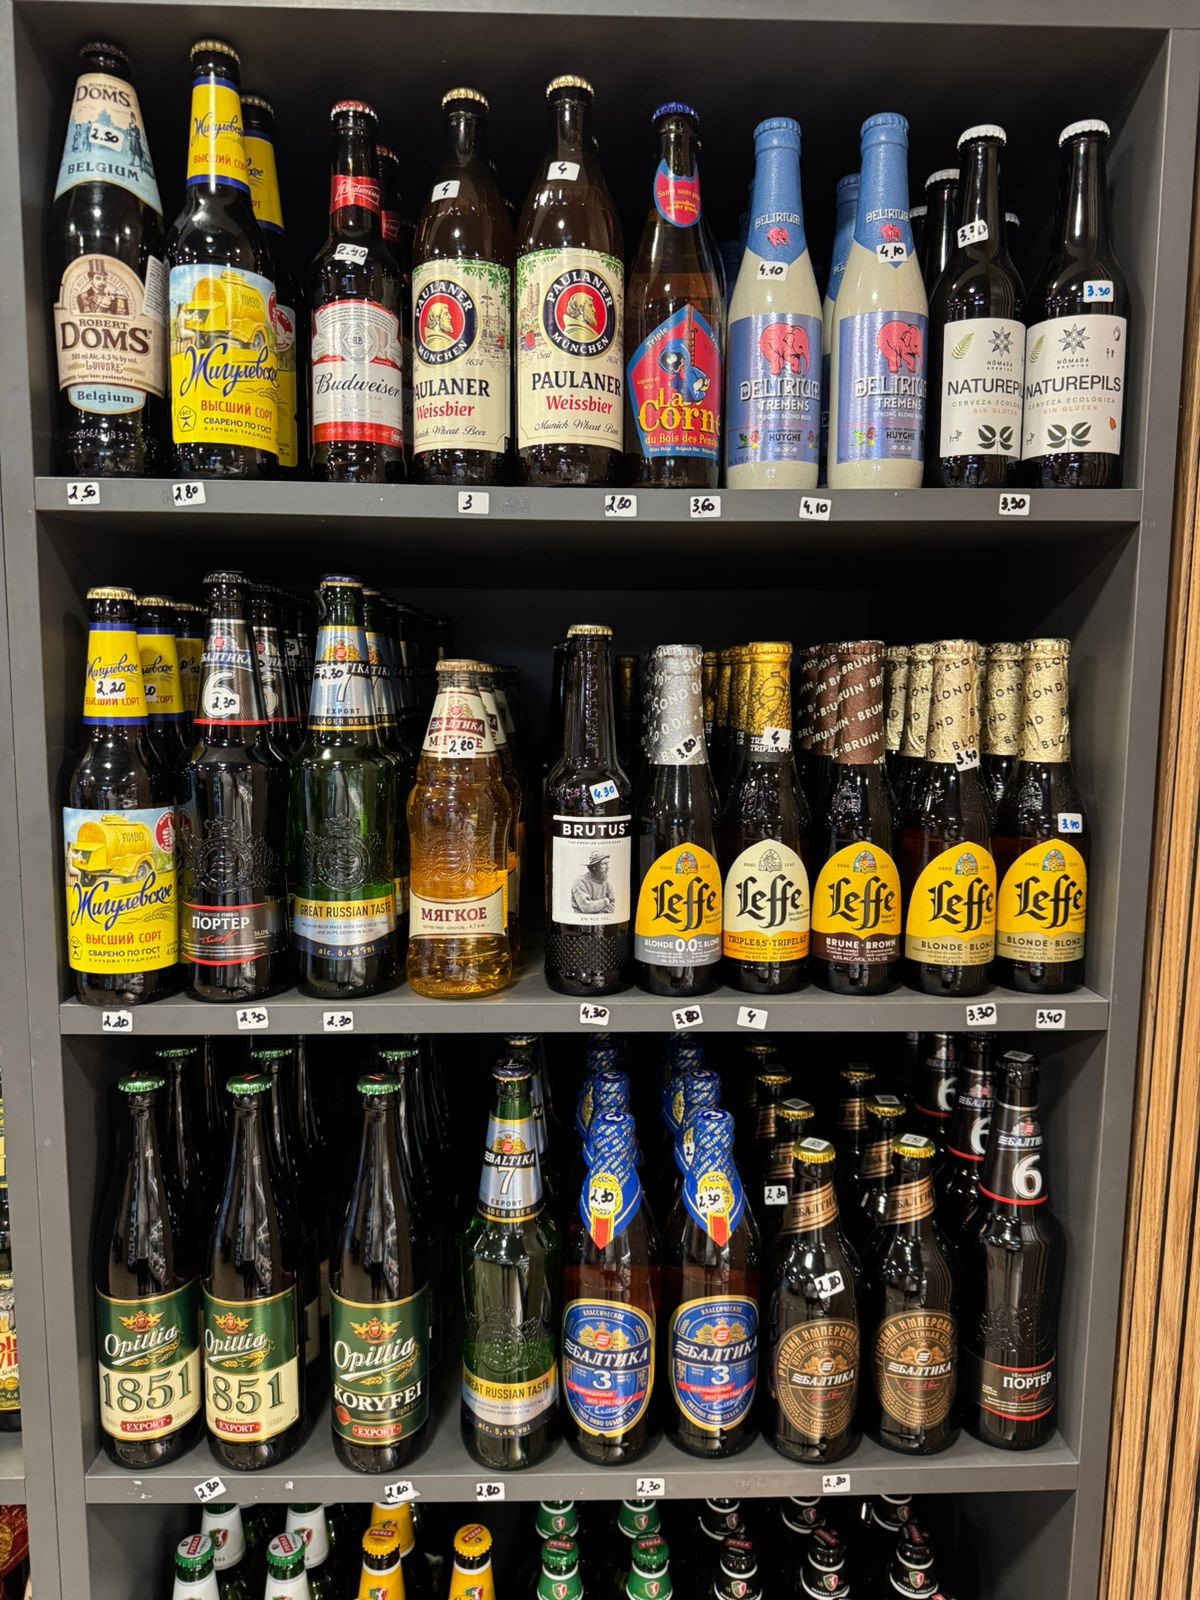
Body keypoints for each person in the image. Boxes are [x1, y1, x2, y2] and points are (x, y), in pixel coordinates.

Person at [572, 850, 616, 915]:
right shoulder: (580, 882)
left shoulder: (606, 882)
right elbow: (586, 907)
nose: (608, 867)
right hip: (580, 920)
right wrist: (605, 901)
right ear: (594, 867)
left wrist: (600, 913)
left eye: (607, 863)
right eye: (604, 864)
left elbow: (612, 903)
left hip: (604, 919)